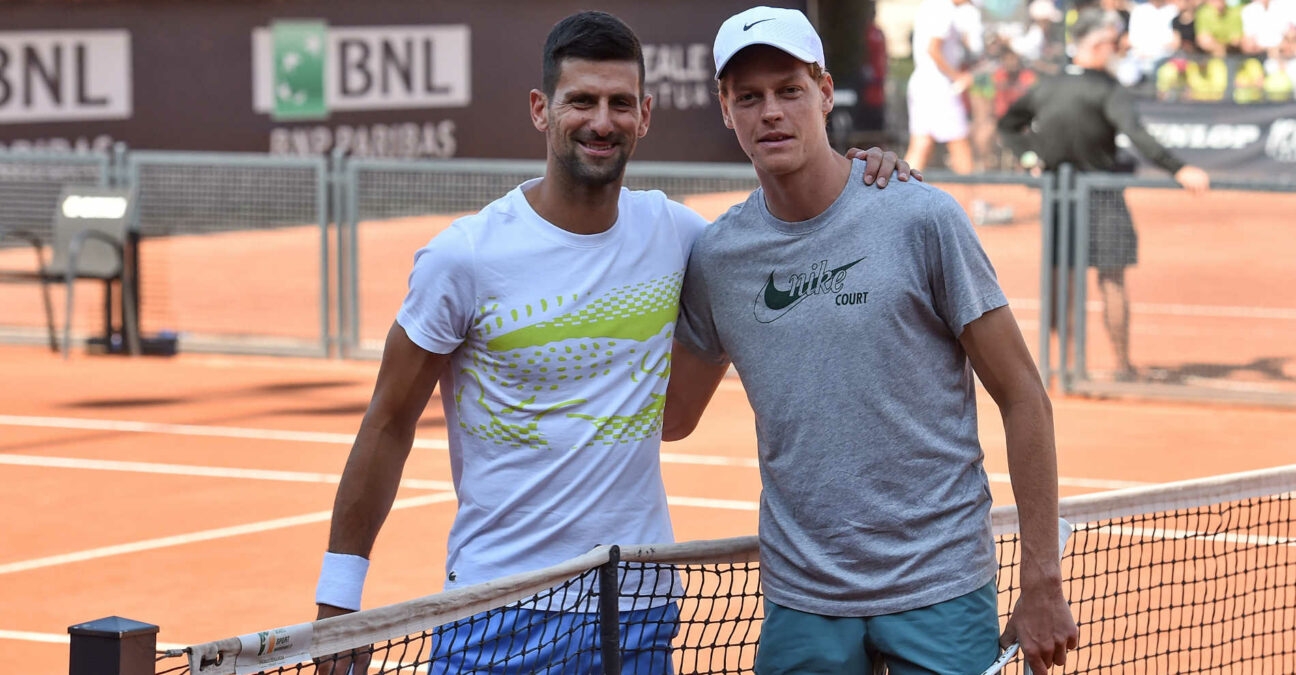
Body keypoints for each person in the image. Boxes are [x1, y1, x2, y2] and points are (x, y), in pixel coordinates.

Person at [311, 10, 917, 675]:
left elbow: (790, 228)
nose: (602, 121)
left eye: (620, 103)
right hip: (495, 609)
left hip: (632, 607)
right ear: (542, 109)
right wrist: (340, 602)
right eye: (583, 101)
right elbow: (389, 421)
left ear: (646, 114)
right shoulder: (465, 257)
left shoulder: (683, 239)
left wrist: (866, 178)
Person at [665, 6, 1077, 674]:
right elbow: (672, 415)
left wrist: (1041, 579)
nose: (770, 111)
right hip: (804, 602)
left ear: (825, 93)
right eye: (749, 96)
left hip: (940, 587)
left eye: (789, 90)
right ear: (724, 108)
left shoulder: (922, 217)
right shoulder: (719, 258)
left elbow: (1024, 394)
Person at [997, 8, 1211, 381]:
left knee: (1060, 278)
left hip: (1059, 196)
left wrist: (1030, 156)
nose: (1118, 47)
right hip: (1102, 196)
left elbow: (1009, 124)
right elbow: (1139, 135)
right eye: (1113, 43)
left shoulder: (1048, 86)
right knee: (1111, 279)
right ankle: (1122, 365)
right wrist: (1179, 167)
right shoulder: (1107, 88)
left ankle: (1062, 365)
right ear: (1095, 45)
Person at [905, 0, 980, 173]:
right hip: (938, 87)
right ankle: (969, 198)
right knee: (959, 144)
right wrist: (958, 77)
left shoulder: (934, 5)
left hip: (925, 84)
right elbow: (933, 49)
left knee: (921, 144)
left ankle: (897, 196)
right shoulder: (943, 8)